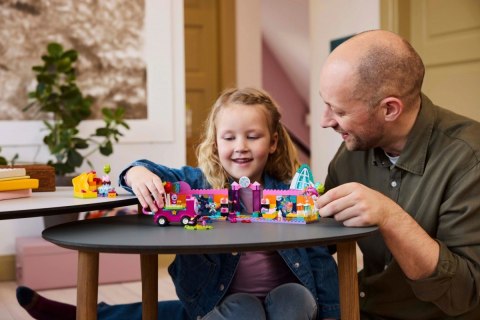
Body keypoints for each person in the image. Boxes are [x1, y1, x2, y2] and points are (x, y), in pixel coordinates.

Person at [17, 87, 340, 320]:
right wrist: (138, 172)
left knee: (295, 297)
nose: (240, 147)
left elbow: (319, 260)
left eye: (252, 136)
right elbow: (145, 169)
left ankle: (83, 315)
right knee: (240, 309)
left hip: (285, 300)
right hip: (220, 301)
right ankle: (82, 315)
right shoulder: (197, 182)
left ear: (272, 142)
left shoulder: (290, 194)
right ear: (215, 143)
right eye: (229, 138)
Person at [315, 29, 480, 319]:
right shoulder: (353, 151)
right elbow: (320, 241)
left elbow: (464, 294)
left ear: (390, 109)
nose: (325, 121)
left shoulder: (469, 159)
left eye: (338, 110)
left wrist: (389, 216)